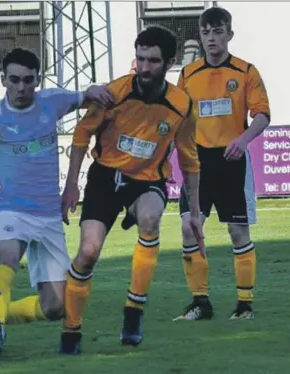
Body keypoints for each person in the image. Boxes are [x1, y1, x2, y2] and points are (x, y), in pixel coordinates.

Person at [0, 47, 114, 361]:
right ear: (4, 80)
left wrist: (101, 91)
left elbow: (86, 97)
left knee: (55, 308)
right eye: (15, 80)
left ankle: (1, 318)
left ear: (37, 80)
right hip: (13, 211)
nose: (21, 88)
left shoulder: (52, 101)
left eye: (28, 81)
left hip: (49, 218)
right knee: (6, 258)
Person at [58, 26, 204, 355]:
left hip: (147, 179)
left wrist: (194, 212)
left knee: (151, 219)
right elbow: (82, 136)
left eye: (153, 60)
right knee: (89, 253)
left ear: (169, 62)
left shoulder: (181, 105)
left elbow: (189, 159)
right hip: (106, 177)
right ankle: (71, 328)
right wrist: (70, 187)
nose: (144, 67)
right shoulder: (113, 93)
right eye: (140, 59)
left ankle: (134, 310)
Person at [174, 7, 270, 321]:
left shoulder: (246, 72)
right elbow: (176, 115)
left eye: (218, 32)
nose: (212, 38)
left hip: (232, 161)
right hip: (198, 163)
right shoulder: (188, 74)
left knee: (237, 232)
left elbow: (263, 114)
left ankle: (245, 305)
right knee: (191, 229)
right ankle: (200, 303)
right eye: (206, 32)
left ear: (229, 34)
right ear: (201, 36)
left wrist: (243, 140)